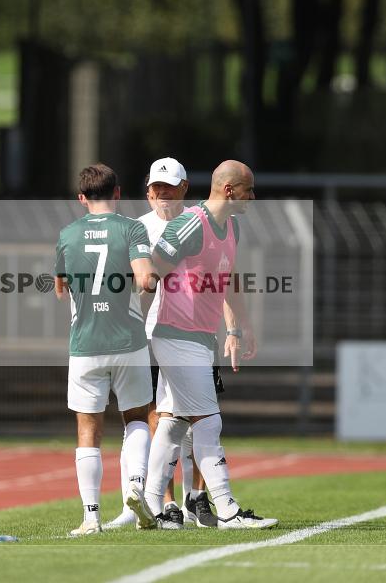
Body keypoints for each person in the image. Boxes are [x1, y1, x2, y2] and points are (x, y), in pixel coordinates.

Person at [142, 159, 278, 529]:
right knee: (208, 421)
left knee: (173, 423)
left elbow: (228, 280)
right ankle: (229, 511)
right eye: (249, 189)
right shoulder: (190, 224)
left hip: (202, 338)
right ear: (229, 190)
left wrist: (240, 327)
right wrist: (132, 328)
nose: (253, 197)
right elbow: (150, 270)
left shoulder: (231, 227)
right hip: (175, 335)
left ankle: (150, 504)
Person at [104, 157, 219, 530]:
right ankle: (167, 502)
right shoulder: (137, 229)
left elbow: (223, 279)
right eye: (155, 188)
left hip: (195, 334)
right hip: (150, 336)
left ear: (184, 189)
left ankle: (196, 497)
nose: (161, 195)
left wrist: (232, 328)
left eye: (169, 188)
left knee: (198, 417)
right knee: (160, 419)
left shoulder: (200, 224)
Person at [54, 163, 158, 536]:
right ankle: (134, 485)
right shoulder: (132, 228)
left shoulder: (67, 234)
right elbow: (145, 278)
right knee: (136, 418)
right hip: (128, 341)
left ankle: (91, 516)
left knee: (88, 430)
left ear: (82, 198)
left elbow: (60, 286)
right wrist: (150, 279)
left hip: (85, 345)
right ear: (117, 193)